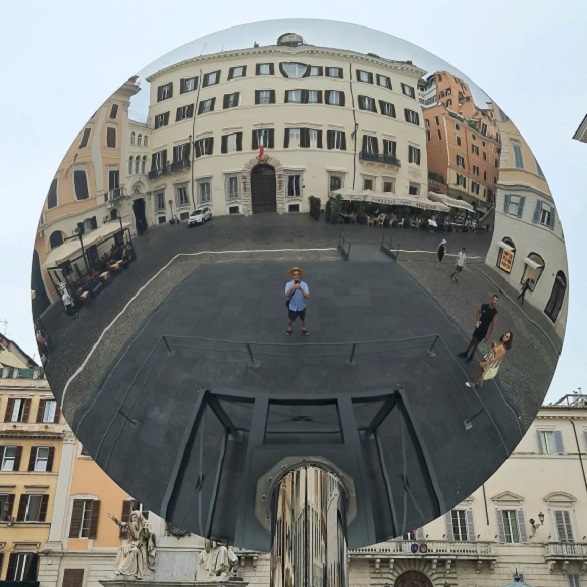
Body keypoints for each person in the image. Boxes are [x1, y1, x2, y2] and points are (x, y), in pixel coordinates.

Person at [108, 510, 157, 579]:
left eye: (135, 518)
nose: (133, 519)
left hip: (141, 547)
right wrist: (113, 518)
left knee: (133, 551)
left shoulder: (145, 525)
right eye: (132, 518)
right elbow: (121, 524)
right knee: (121, 548)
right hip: (133, 543)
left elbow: (150, 538)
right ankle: (118, 568)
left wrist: (145, 531)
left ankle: (122, 569)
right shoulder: (130, 525)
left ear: (139, 518)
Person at [458, 294, 499, 363]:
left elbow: (493, 325)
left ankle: (471, 356)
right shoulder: (484, 306)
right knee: (472, 340)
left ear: (497, 302)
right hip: (479, 326)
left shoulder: (494, 312)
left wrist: (489, 335)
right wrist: (477, 321)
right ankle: (466, 352)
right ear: (491, 299)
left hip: (484, 330)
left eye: (496, 300)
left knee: (476, 342)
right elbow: (478, 313)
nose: (494, 301)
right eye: (493, 299)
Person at [285, 267, 310, 336]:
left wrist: (301, 289)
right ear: (292, 275)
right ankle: (289, 328)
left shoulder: (304, 284)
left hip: (302, 306)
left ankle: (303, 328)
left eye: (297, 274)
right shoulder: (288, 284)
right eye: (294, 274)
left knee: (303, 319)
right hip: (292, 307)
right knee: (290, 319)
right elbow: (286, 295)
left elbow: (307, 296)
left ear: (300, 275)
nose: (296, 276)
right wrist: (291, 288)